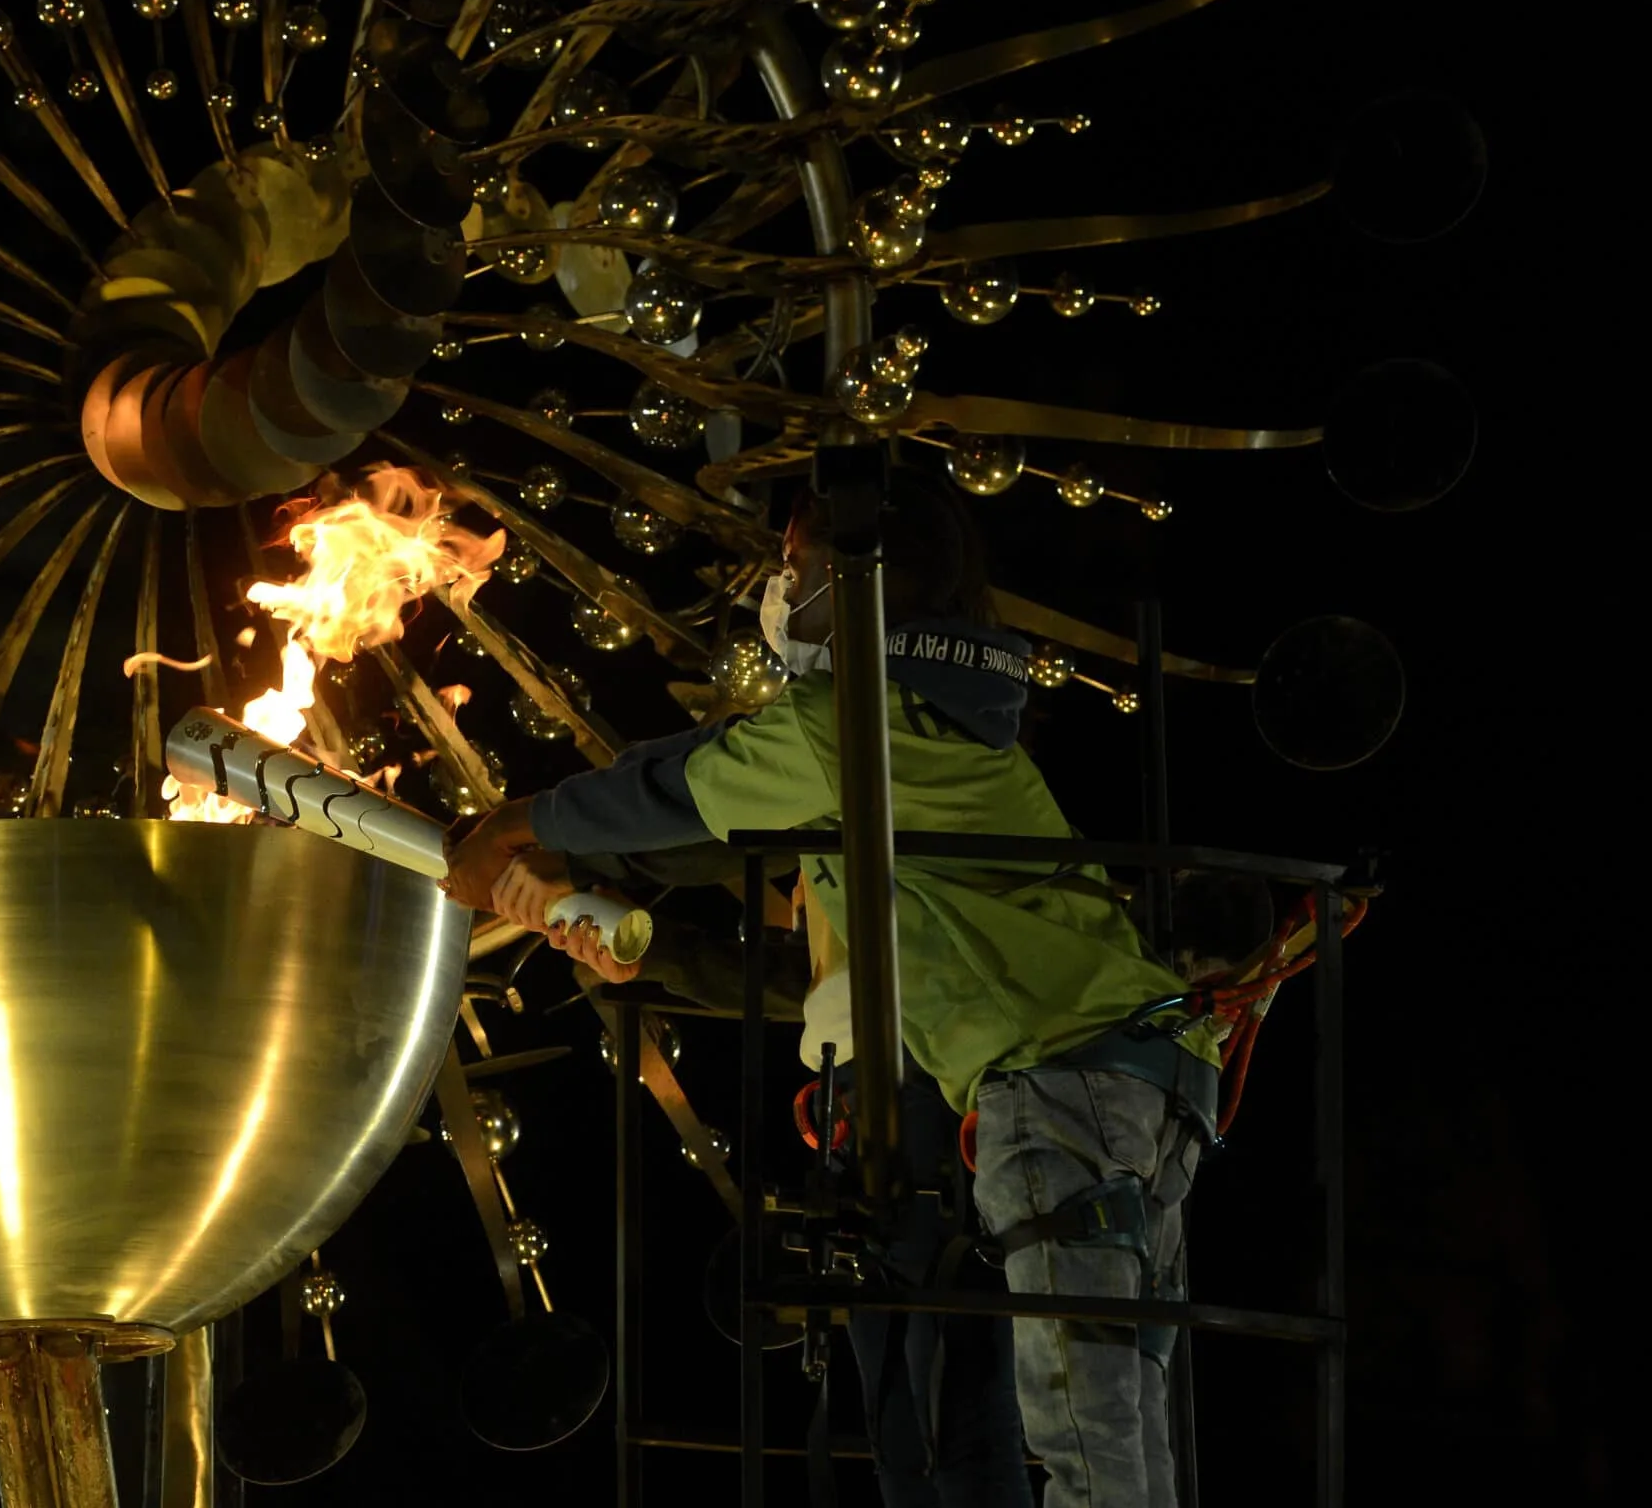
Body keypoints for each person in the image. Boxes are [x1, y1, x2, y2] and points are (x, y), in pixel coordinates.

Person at [441, 467, 1222, 1508]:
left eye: (795, 563)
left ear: (856, 580)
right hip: (1144, 1077)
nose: (779, 581)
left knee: (1076, 1431)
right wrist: (621, 922)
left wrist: (517, 824)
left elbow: (679, 786)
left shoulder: (846, 724)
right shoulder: (926, 734)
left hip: (1052, 1078)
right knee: (1122, 1426)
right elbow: (736, 884)